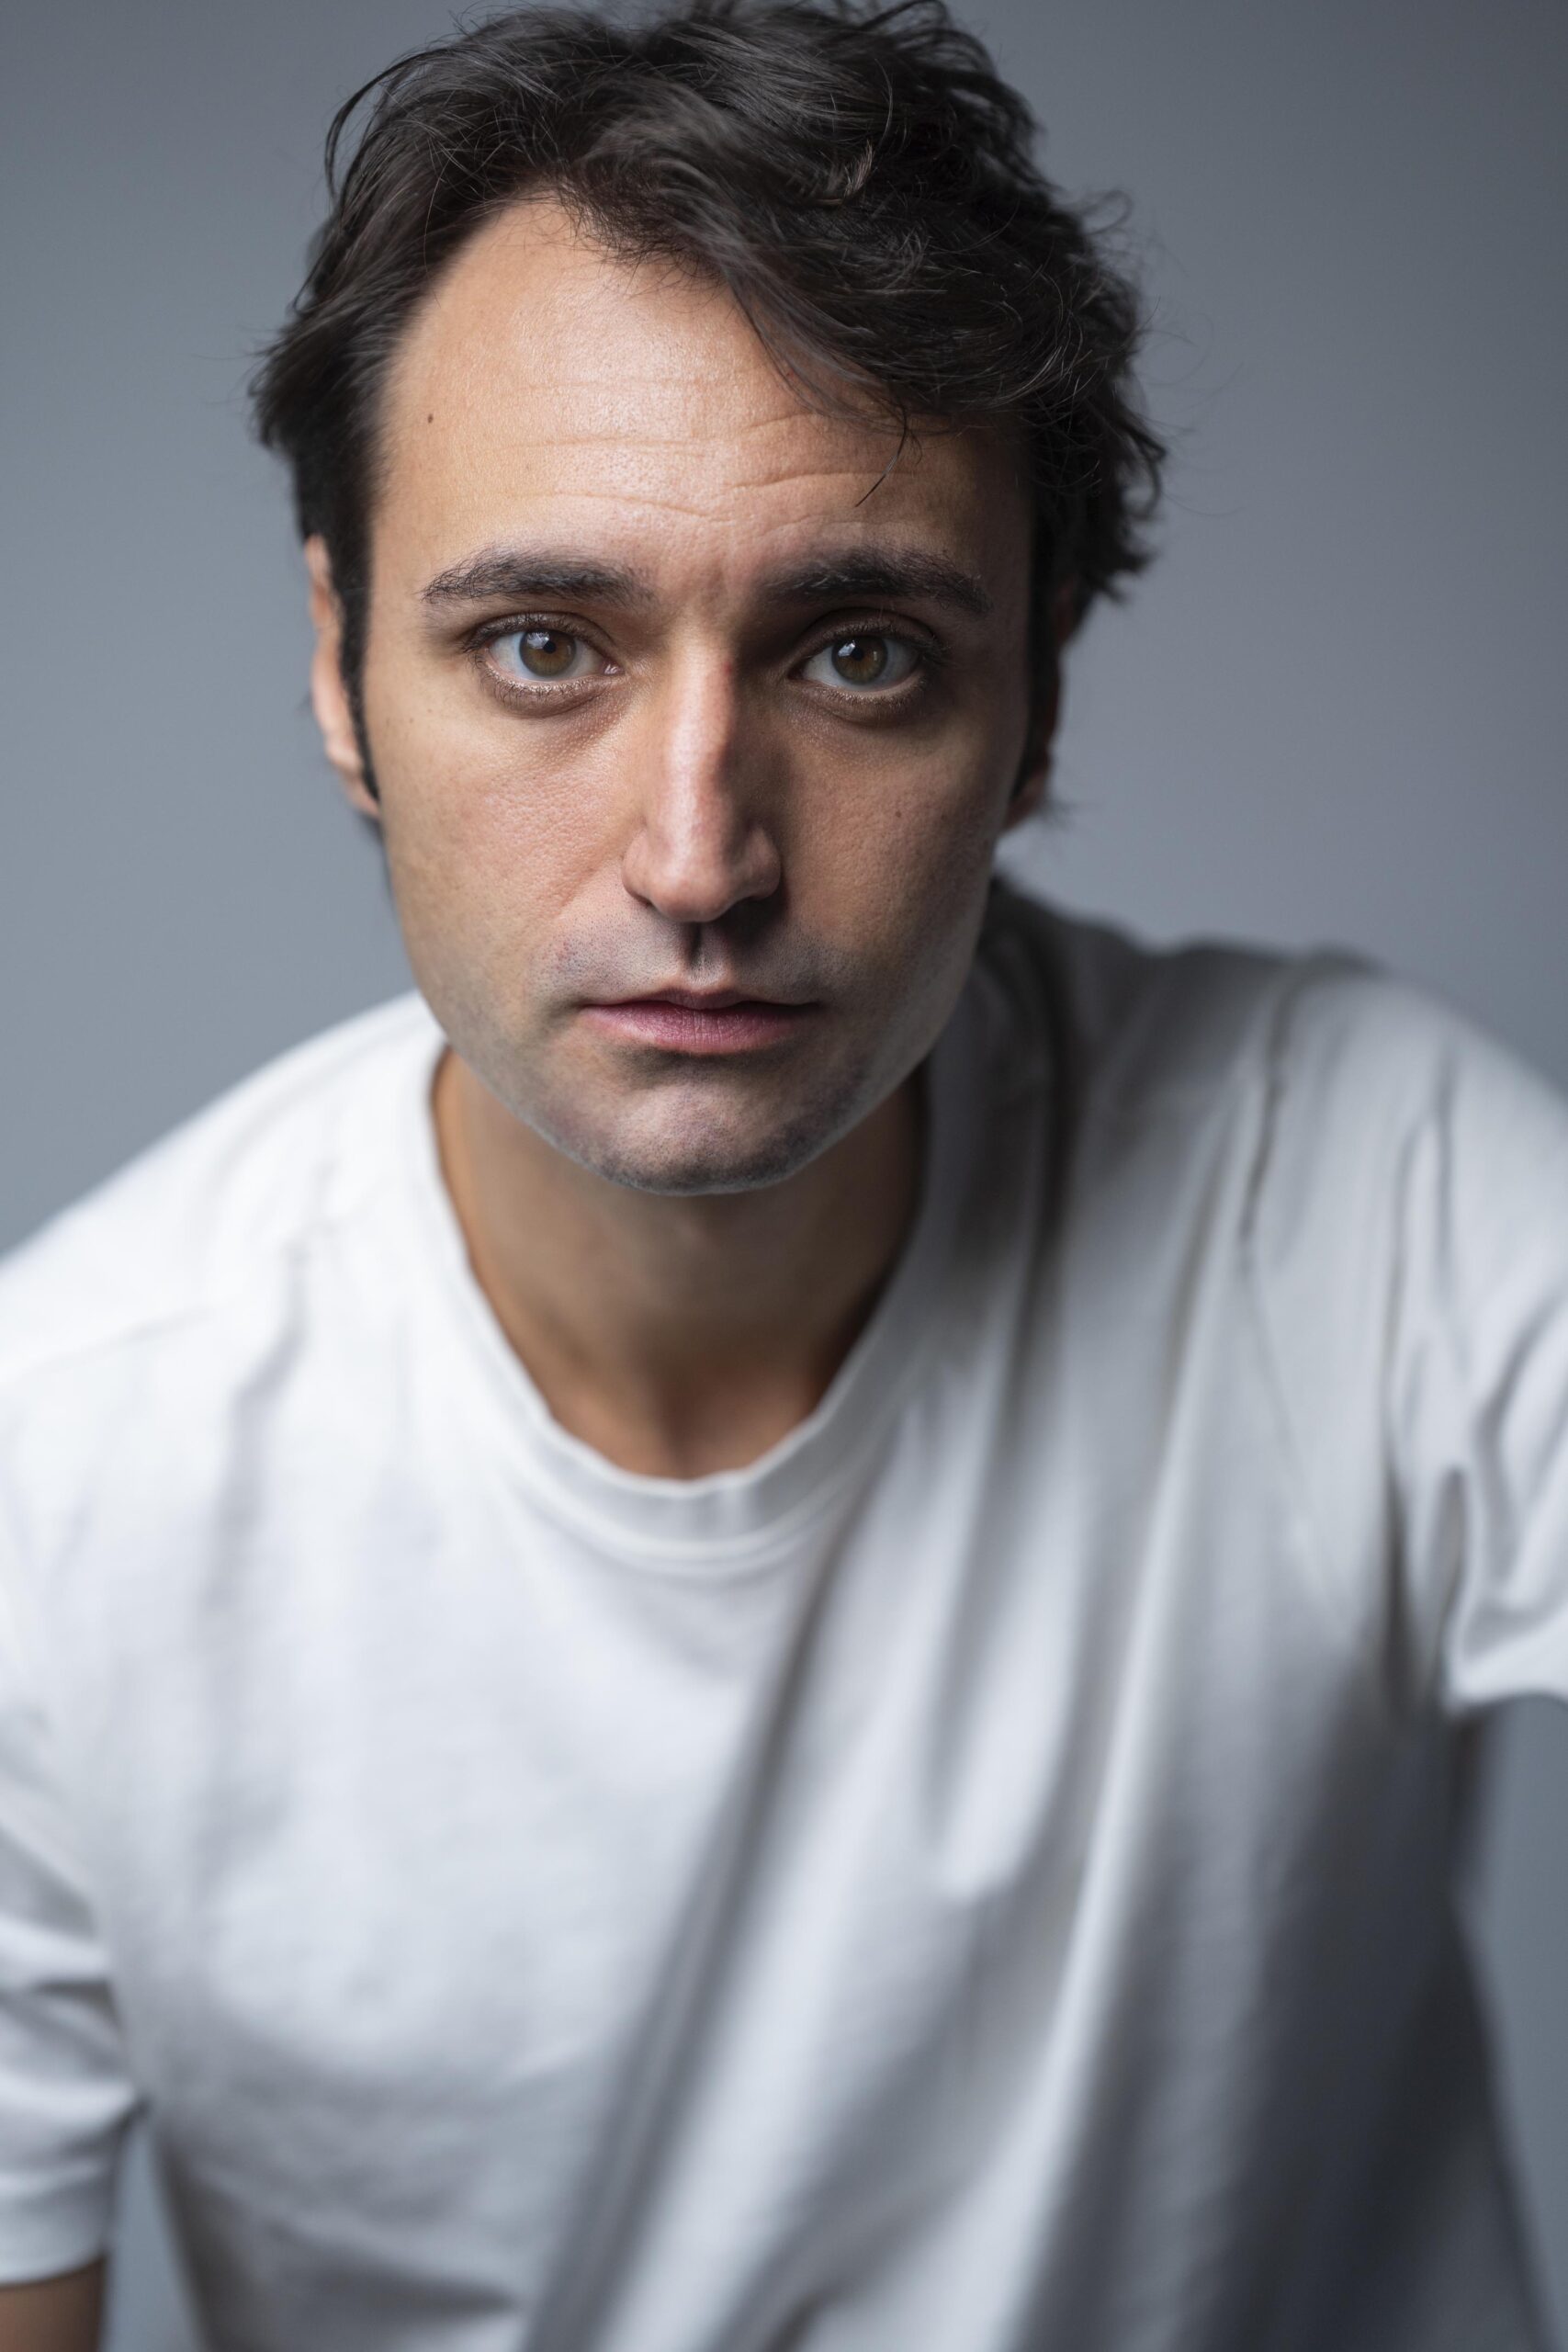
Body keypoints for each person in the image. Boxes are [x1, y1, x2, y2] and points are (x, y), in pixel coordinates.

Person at [1, 0, 1564, 2345]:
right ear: (338, 667)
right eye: (545, 644)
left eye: (856, 655)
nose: (696, 856)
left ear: (1034, 698)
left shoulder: (1361, 1197)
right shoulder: (53, 1488)